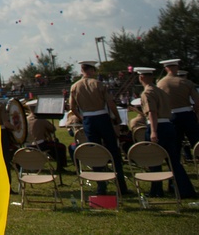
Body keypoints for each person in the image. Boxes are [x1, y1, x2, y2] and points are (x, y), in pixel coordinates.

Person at [68, 61, 129, 196]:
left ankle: (101, 186)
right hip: (102, 117)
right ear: (92, 70)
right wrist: (117, 119)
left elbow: (72, 107)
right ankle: (121, 186)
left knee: (94, 151)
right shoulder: (99, 84)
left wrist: (82, 117)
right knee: (113, 151)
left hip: (88, 120)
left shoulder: (75, 86)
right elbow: (110, 103)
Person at [137, 67, 196, 198]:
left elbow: (152, 112)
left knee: (155, 160)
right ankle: (185, 189)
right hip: (168, 125)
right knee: (173, 160)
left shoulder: (147, 93)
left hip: (157, 126)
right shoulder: (160, 91)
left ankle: (156, 190)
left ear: (141, 78)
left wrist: (153, 131)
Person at [157, 59, 199, 161]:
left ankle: (177, 166)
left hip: (171, 116)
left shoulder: (160, 84)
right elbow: (197, 100)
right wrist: (196, 113)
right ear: (177, 67)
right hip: (188, 114)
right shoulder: (186, 82)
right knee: (196, 141)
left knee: (175, 144)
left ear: (166, 68)